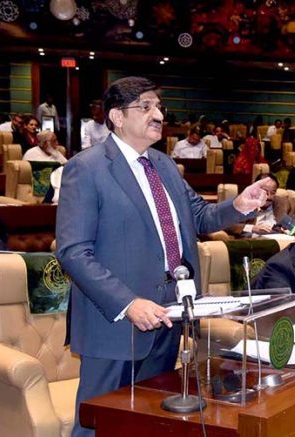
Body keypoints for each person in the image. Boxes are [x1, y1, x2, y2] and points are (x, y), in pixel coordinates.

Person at [55, 76, 271, 436]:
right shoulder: (87, 167)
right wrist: (128, 304)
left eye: (158, 106)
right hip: (117, 323)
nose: (157, 114)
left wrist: (237, 206)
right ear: (117, 117)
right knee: (97, 424)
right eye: (146, 106)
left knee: (149, 421)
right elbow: (74, 252)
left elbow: (200, 216)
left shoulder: (163, 165)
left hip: (169, 318)